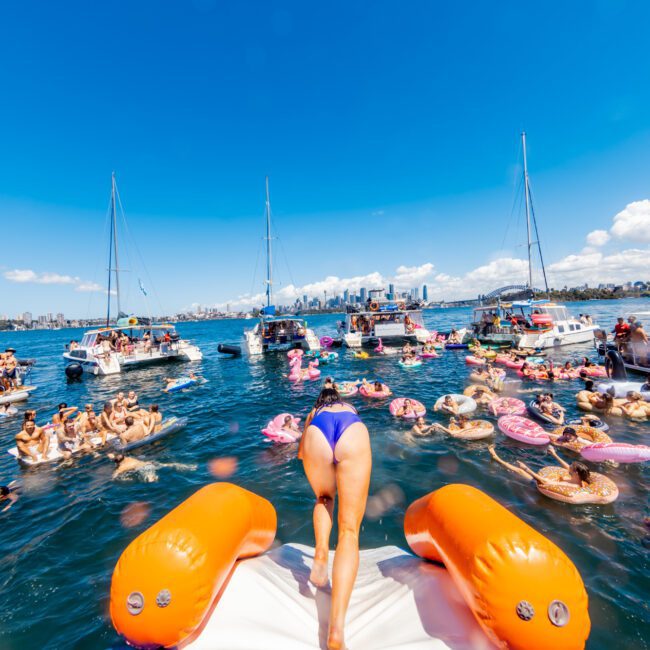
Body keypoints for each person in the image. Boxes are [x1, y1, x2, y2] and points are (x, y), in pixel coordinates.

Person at [298, 387, 371, 649]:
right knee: (349, 530)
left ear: (319, 402)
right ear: (339, 399)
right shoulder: (349, 408)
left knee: (324, 498)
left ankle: (320, 555)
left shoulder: (313, 413)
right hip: (352, 431)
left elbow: (300, 454)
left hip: (317, 433)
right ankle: (336, 631)